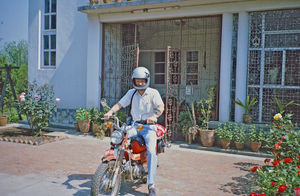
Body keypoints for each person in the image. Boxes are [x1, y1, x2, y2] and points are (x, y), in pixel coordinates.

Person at [104, 67, 164, 196]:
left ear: (146, 80)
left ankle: (151, 184)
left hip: (149, 128)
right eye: (138, 80)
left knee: (152, 152)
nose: (140, 83)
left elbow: (161, 106)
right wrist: (110, 112)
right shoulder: (131, 93)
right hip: (135, 126)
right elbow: (120, 104)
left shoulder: (153, 93)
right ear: (134, 80)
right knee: (118, 138)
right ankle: (117, 164)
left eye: (142, 80)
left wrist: (154, 116)